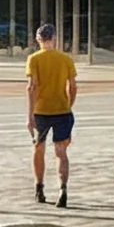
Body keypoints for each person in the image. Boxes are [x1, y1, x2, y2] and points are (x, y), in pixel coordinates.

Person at [25, 24, 78, 207]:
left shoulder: (34, 59)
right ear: (54, 38)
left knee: (38, 148)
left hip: (41, 111)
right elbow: (72, 86)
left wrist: (30, 114)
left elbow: (32, 87)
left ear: (38, 40)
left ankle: (39, 187)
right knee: (61, 151)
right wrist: (68, 104)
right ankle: (63, 188)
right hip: (62, 110)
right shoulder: (65, 59)